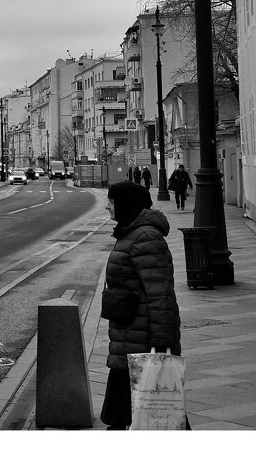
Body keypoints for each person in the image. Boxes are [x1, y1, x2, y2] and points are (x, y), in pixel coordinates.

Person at [100, 180, 182, 430]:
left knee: (157, 411)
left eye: (111, 202)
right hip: (128, 336)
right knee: (144, 412)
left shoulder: (145, 237)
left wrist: (161, 344)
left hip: (142, 340)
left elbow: (161, 295)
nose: (106, 207)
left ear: (125, 205)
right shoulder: (132, 233)